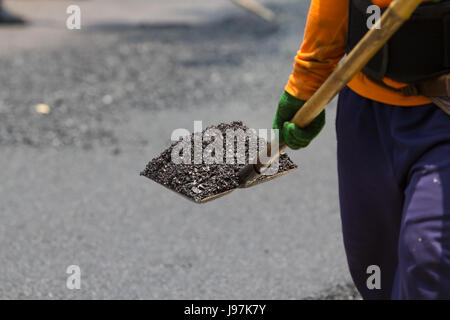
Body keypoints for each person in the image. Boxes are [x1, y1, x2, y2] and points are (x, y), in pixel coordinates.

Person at [273, 0, 450, 299]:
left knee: (429, 256)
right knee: (374, 267)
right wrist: (304, 86)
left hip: (442, 117)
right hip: (366, 115)